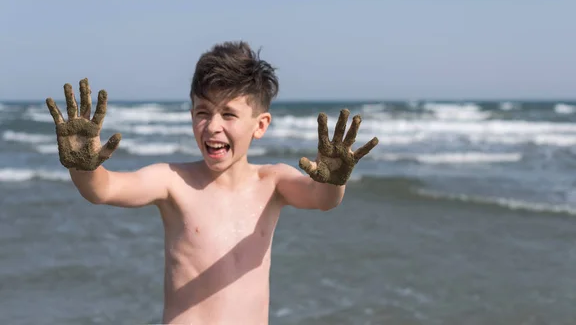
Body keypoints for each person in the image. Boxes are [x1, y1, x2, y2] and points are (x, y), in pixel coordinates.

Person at [45, 41, 379, 325]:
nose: (212, 126)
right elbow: (103, 189)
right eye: (202, 112)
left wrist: (335, 179)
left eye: (229, 114)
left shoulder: (272, 182)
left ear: (260, 125)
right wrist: (83, 166)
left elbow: (322, 198)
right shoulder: (173, 181)